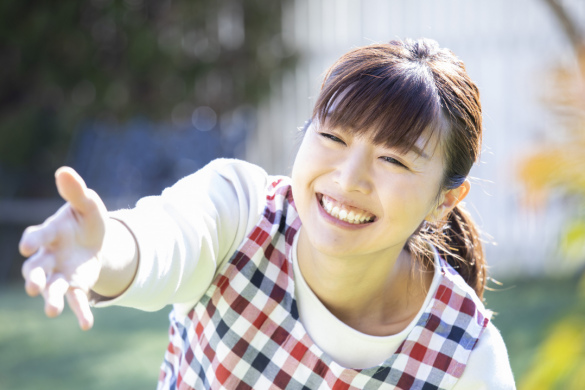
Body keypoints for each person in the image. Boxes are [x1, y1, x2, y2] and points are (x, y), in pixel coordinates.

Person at [19, 38, 515, 389]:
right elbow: (167, 239)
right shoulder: (242, 211)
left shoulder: (466, 360)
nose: (348, 179)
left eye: (393, 159)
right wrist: (106, 249)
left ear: (444, 200)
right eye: (333, 137)